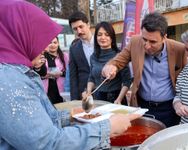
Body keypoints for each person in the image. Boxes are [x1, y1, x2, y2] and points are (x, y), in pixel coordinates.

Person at [0, 1, 140, 149]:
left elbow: (45, 121)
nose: (45, 48)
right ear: (20, 35)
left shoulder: (15, 73)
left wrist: (73, 114)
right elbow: (48, 143)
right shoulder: (8, 81)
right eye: (39, 38)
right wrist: (108, 127)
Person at [102, 12, 187, 127]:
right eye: (144, 39)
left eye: (153, 42)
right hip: (142, 107)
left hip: (169, 109)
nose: (147, 45)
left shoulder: (179, 49)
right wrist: (110, 67)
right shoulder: (135, 42)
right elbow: (118, 61)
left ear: (164, 37)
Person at [83, 21, 131, 104]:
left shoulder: (119, 56)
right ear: (96, 37)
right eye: (99, 34)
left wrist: (119, 99)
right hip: (98, 99)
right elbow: (91, 77)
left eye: (107, 34)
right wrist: (88, 92)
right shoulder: (93, 57)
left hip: (116, 98)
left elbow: (127, 81)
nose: (103, 37)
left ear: (112, 37)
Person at [68, 12, 94, 100]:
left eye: (81, 27)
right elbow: (73, 77)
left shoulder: (102, 42)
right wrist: (74, 101)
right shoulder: (73, 48)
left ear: (88, 25)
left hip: (105, 91)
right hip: (84, 95)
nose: (79, 31)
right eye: (75, 29)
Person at [42, 37, 69, 104]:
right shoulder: (42, 56)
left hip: (62, 88)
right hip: (47, 89)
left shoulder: (65, 56)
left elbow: (70, 72)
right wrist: (48, 74)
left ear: (58, 44)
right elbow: (38, 73)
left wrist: (61, 73)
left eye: (55, 42)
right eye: (50, 43)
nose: (53, 45)